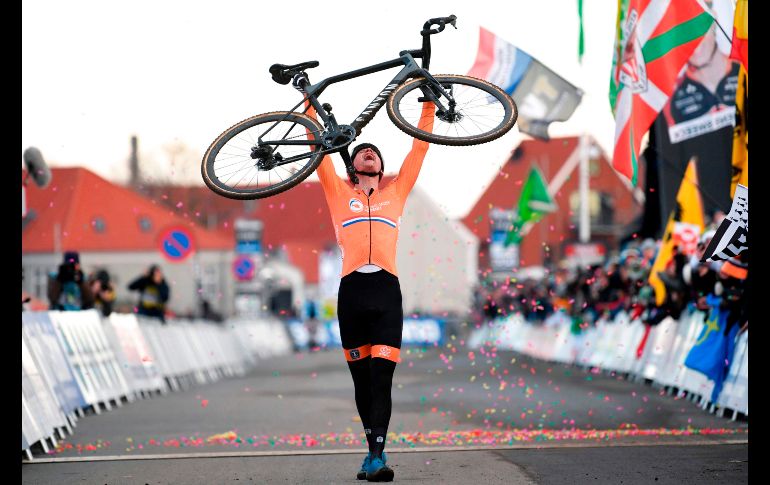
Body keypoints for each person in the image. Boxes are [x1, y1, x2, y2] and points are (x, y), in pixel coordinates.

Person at [310, 99, 434, 482]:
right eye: (363, 151)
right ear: (352, 166)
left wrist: (428, 103)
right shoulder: (336, 191)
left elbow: (420, 146)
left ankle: (378, 457)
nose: (369, 154)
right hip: (351, 295)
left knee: (382, 379)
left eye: (375, 154)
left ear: (381, 169)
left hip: (385, 293)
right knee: (362, 381)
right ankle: (370, 452)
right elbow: (317, 149)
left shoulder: (395, 193)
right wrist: (309, 107)